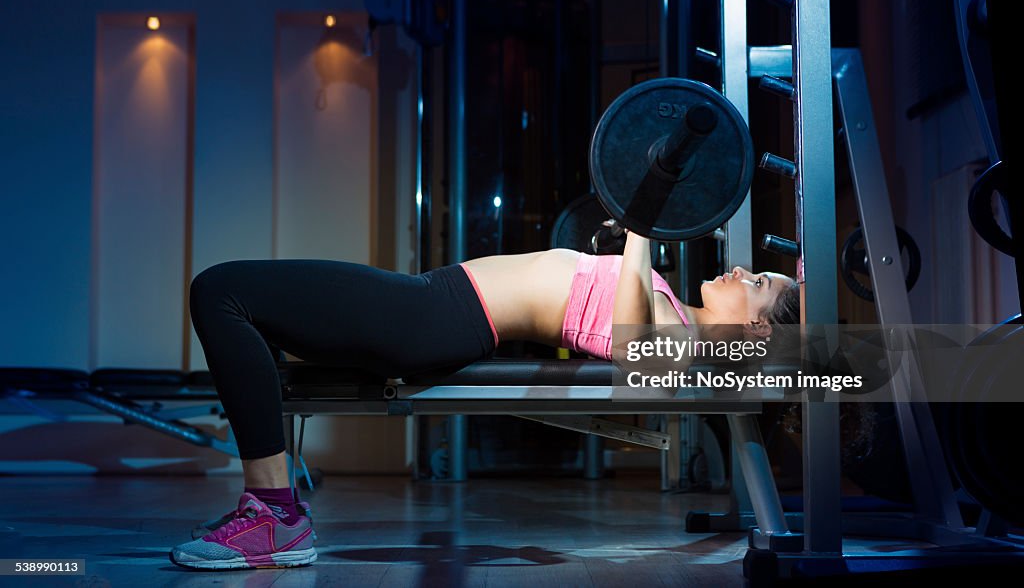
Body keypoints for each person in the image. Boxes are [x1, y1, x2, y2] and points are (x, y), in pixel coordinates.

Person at [170, 230, 799, 570]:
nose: (742, 272)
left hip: (431, 316)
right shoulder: (675, 309)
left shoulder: (680, 339)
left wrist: (640, 229)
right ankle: (270, 508)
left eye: (759, 283)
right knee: (247, 308)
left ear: (759, 329)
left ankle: (275, 513)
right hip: (432, 303)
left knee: (222, 291)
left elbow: (634, 347)